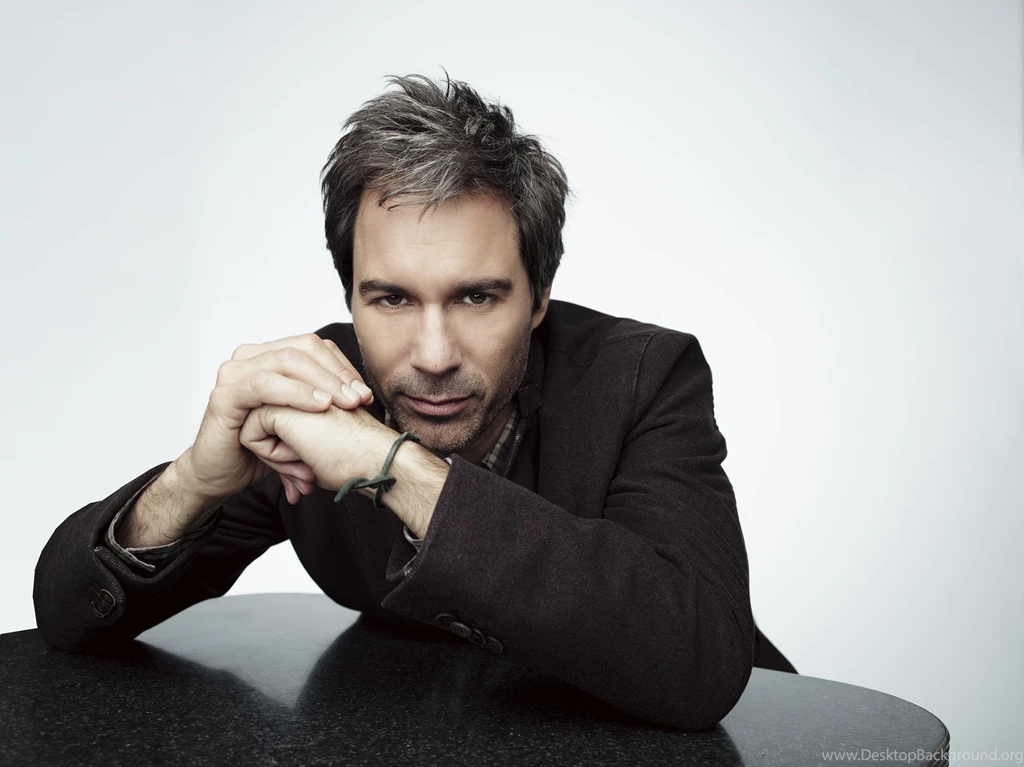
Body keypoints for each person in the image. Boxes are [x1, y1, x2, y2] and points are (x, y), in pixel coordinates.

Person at [33, 72, 794, 732]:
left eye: (476, 296)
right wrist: (192, 482)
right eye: (392, 299)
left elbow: (698, 662)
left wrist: (392, 466)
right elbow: (68, 615)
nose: (433, 356)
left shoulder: (645, 377)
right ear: (350, 299)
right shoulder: (315, 394)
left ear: (539, 297)